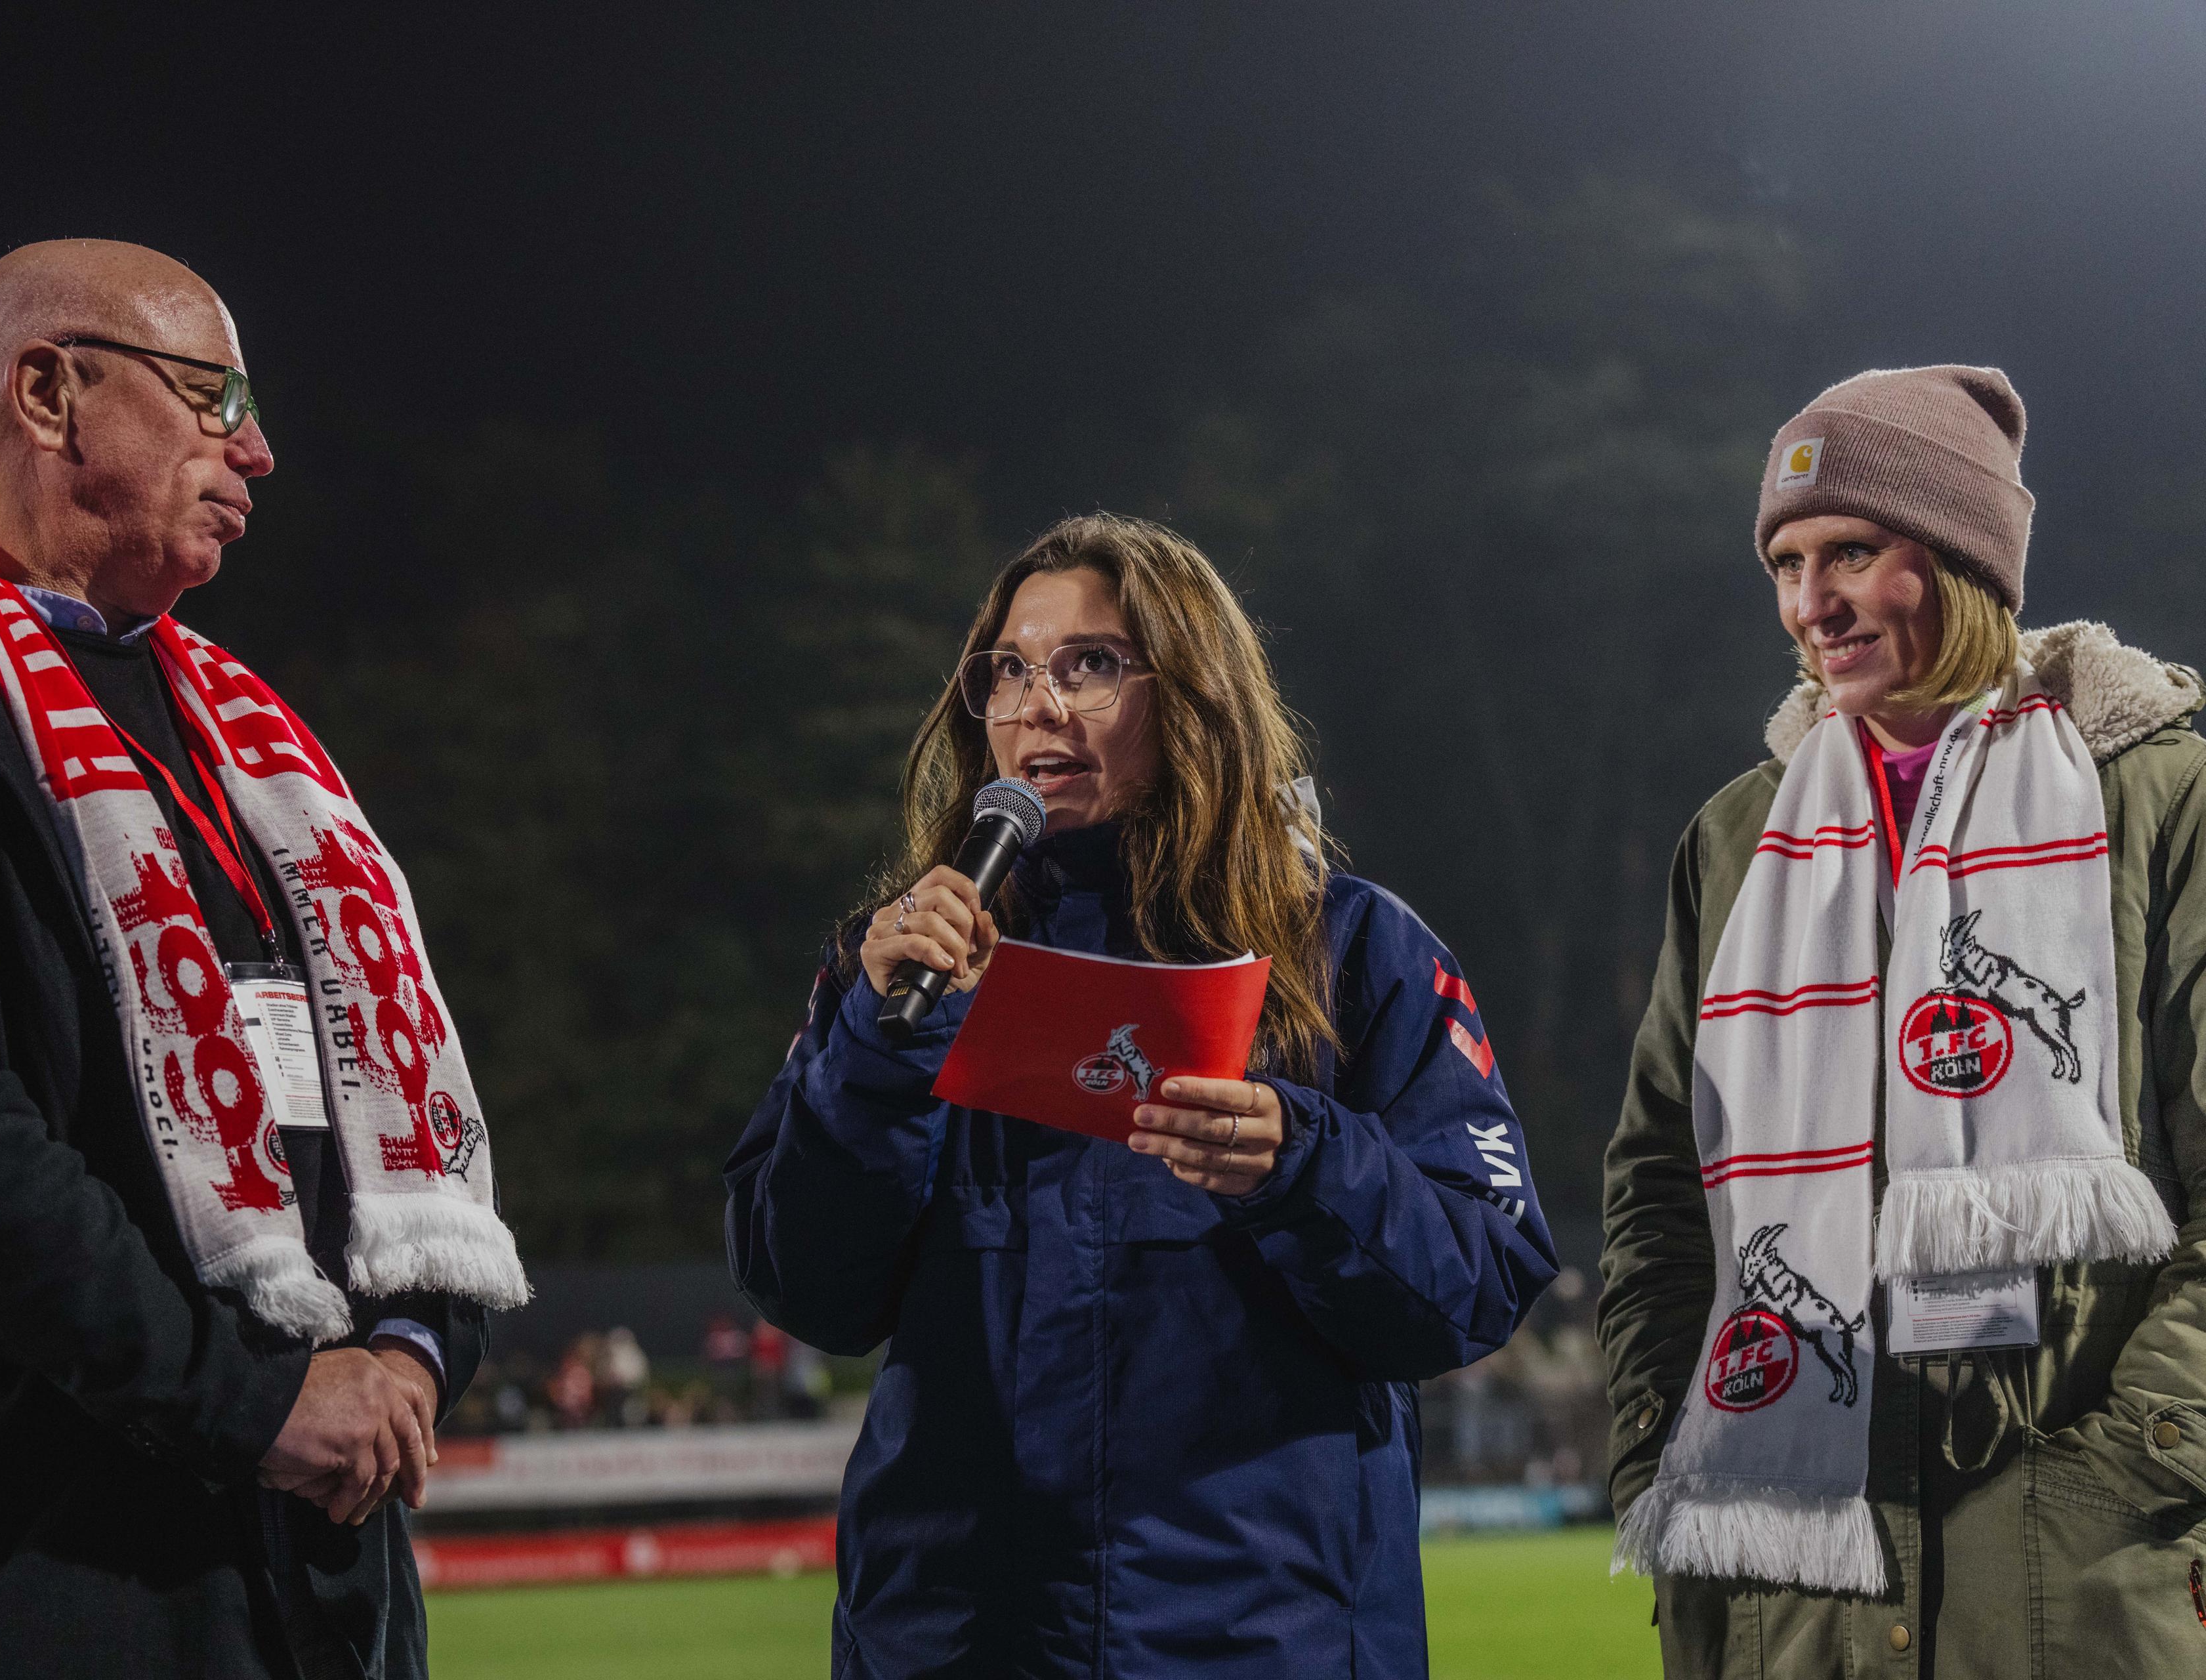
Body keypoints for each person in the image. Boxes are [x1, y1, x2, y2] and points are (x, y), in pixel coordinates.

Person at [0, 240, 529, 1678]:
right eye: (214, 394)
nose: (256, 449)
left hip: (324, 1586)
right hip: (25, 1581)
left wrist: (406, 1354)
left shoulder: (252, 736)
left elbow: (390, 1126)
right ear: (49, 391)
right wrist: (250, 1398)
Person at [726, 514, 1558, 1678]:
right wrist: (874, 1054)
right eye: (1008, 669)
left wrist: (1301, 1163)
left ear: (1196, 697)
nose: (1038, 704)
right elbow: (803, 1285)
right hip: (955, 1639)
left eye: (1092, 665)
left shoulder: (1353, 952)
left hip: (1260, 1638)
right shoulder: (894, 967)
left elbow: (1480, 1275)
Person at [1598, 366, 2206, 1673]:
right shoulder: (1740, 835)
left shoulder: (2163, 797)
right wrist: (1662, 1445)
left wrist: (2130, 1468)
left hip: (2072, 1578)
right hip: (1790, 1579)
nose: (1808, 602)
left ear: (1962, 557)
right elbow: (1656, 1183)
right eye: (1787, 561)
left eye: (1852, 551)